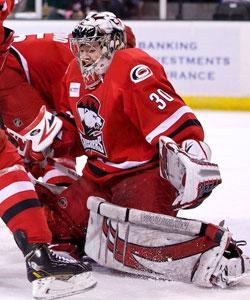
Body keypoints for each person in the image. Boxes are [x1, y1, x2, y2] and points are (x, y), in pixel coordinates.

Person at [22, 11, 250, 288]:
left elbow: (172, 118)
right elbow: (78, 132)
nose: (84, 55)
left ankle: (219, 252)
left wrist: (191, 152)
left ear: (113, 46)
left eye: (91, 48)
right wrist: (52, 139)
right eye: (80, 48)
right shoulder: (72, 73)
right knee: (59, 227)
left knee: (141, 242)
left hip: (144, 174)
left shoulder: (130, 66)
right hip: (99, 175)